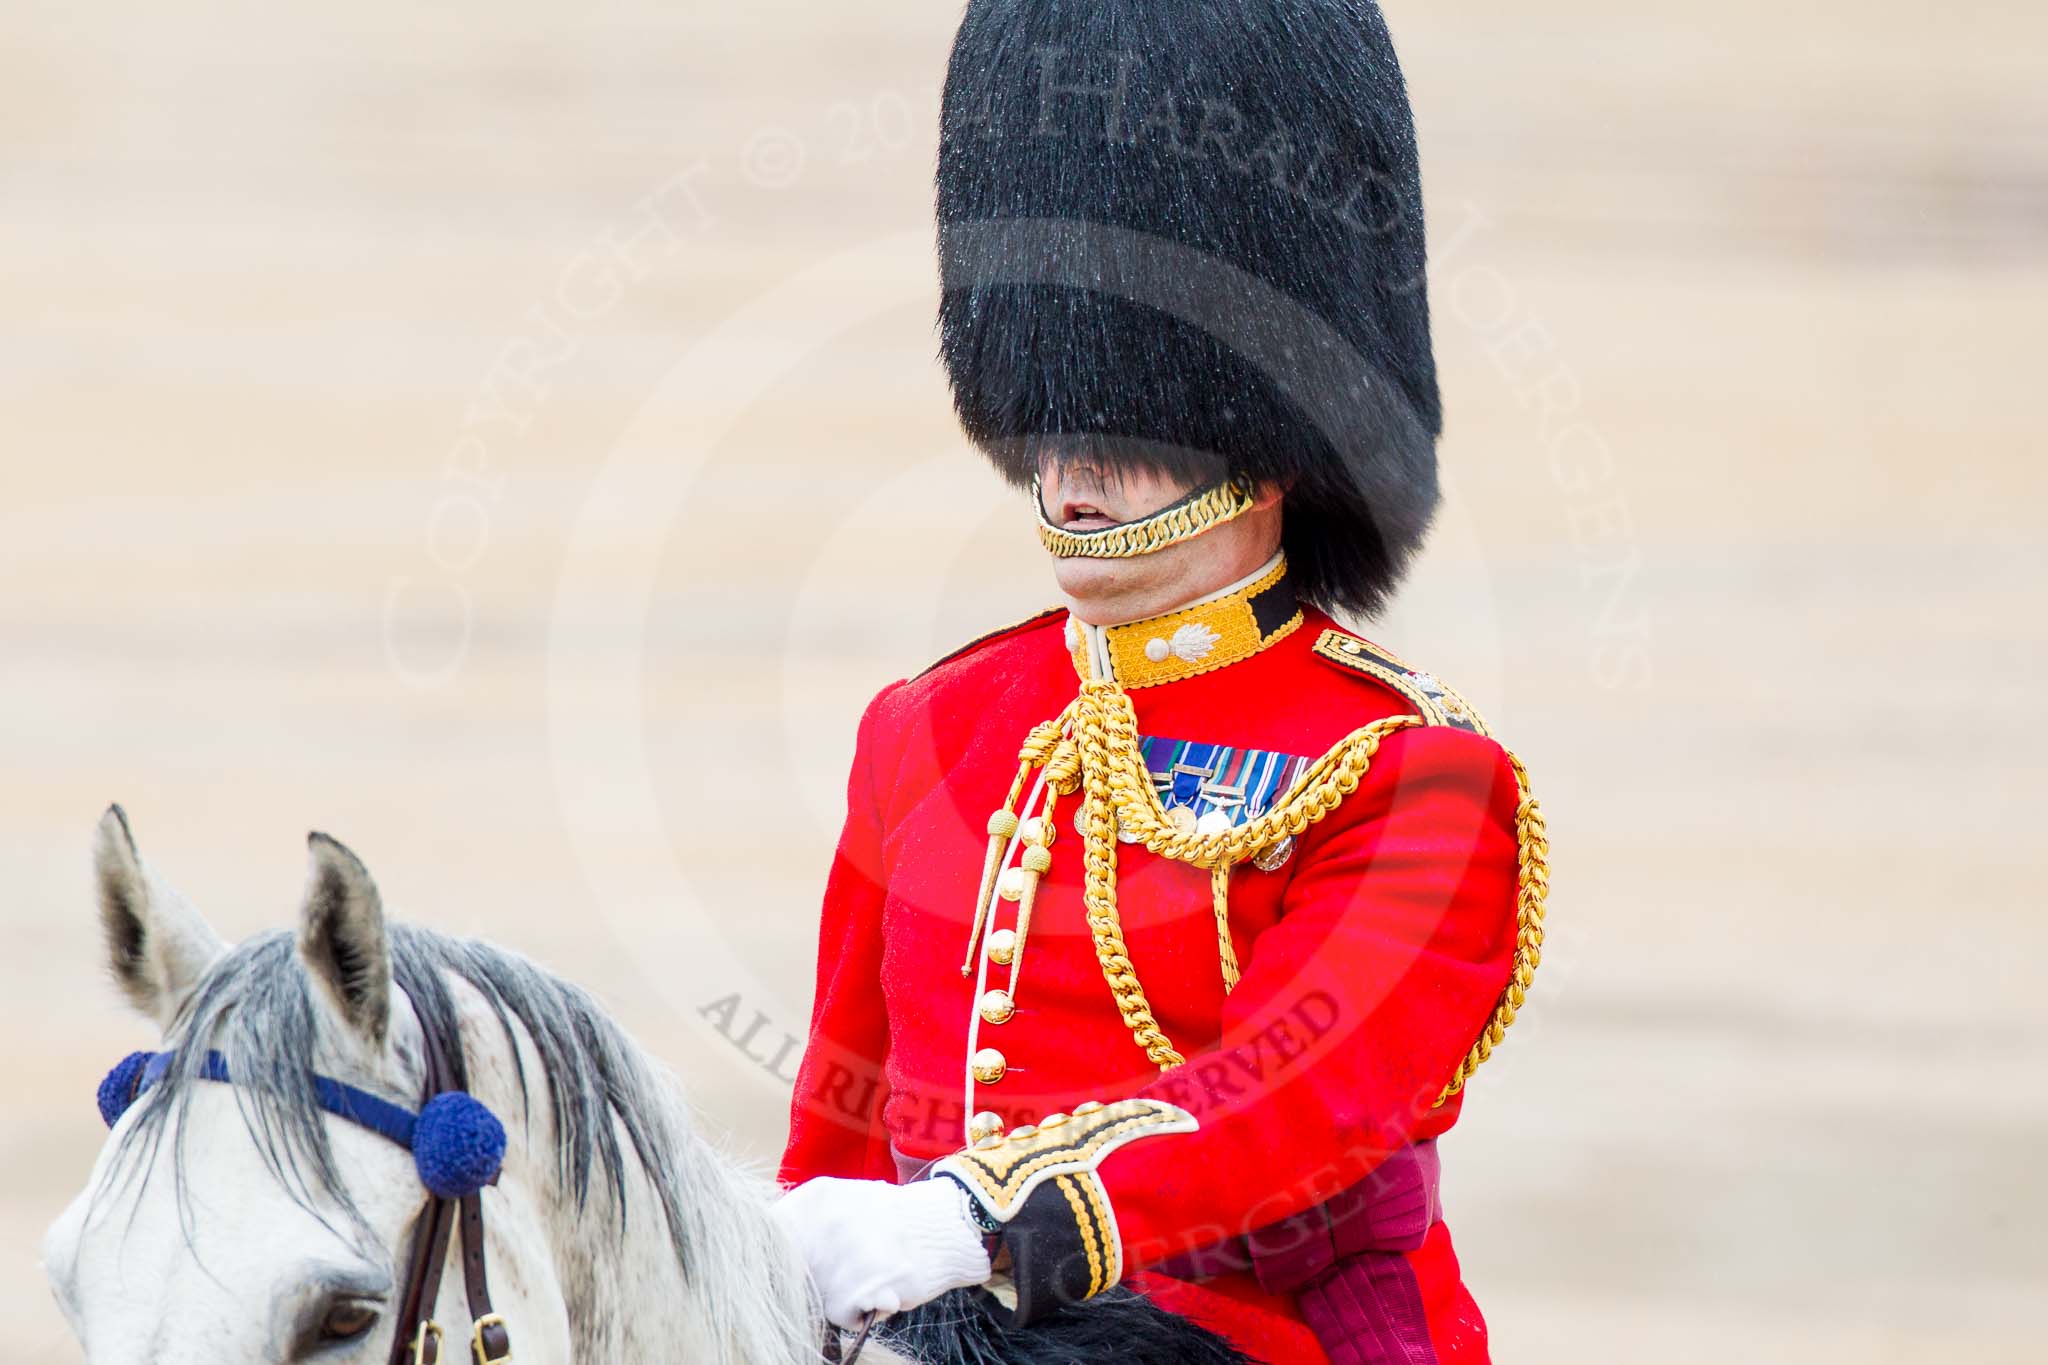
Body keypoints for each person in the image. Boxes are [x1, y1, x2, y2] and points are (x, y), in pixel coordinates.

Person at [770, 3, 1548, 1361]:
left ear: (1272, 442)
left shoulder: (1414, 775)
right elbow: (838, 1132)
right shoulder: (930, 726)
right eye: (1055, 418)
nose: (1073, 469)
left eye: (1127, 427)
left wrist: (985, 1219)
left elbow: (1285, 1107)